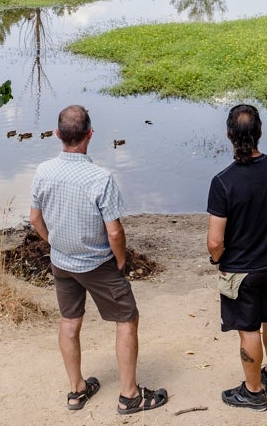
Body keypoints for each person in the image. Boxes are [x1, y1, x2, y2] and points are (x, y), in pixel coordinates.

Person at [29, 105, 169, 415]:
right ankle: (130, 396)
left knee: (69, 321)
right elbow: (115, 233)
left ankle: (77, 390)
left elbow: (35, 218)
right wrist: (120, 262)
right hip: (97, 263)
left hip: (62, 262)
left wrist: (53, 241)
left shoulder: (43, 171)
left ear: (57, 135)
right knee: (127, 319)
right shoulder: (100, 178)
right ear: (90, 135)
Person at [206, 104, 267, 411]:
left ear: (229, 135)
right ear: (259, 133)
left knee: (248, 329)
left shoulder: (223, 182)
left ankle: (253, 391)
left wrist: (216, 258)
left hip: (239, 270)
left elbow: (215, 241)